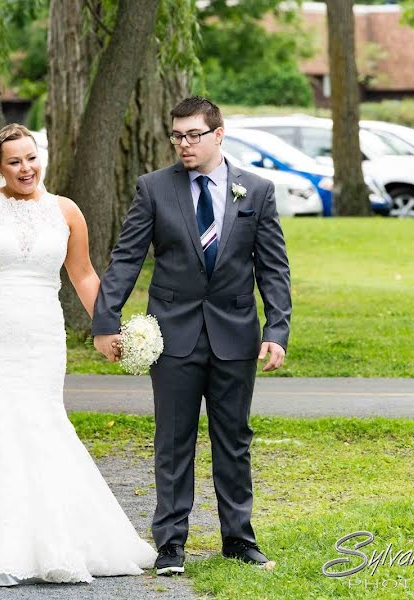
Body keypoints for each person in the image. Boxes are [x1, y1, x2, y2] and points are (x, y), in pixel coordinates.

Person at [0, 123, 156, 585]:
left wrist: (110, 325)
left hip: (40, 335)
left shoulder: (66, 211)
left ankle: (48, 541)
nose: (26, 168)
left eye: (32, 157)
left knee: (39, 424)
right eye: (15, 161)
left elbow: (82, 275)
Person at [92, 97, 292, 575]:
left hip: (235, 335)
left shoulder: (257, 191)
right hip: (173, 335)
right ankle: (171, 545)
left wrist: (277, 329)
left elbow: (273, 267)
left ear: (218, 135)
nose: (183, 144)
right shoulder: (154, 189)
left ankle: (239, 540)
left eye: (193, 135)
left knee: (234, 439)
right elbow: (126, 258)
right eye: (177, 136)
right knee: (173, 440)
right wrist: (105, 320)